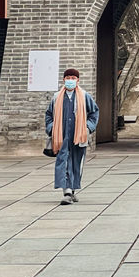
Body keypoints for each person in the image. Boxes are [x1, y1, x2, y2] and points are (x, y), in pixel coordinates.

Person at [45, 68, 99, 205]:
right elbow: (49, 115)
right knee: (63, 162)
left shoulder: (84, 96)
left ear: (78, 80)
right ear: (63, 79)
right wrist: (51, 128)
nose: (70, 80)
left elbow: (94, 113)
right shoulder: (57, 97)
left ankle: (72, 189)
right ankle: (67, 191)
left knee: (76, 163)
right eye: (68, 77)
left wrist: (87, 128)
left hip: (79, 136)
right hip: (61, 136)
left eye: (73, 78)